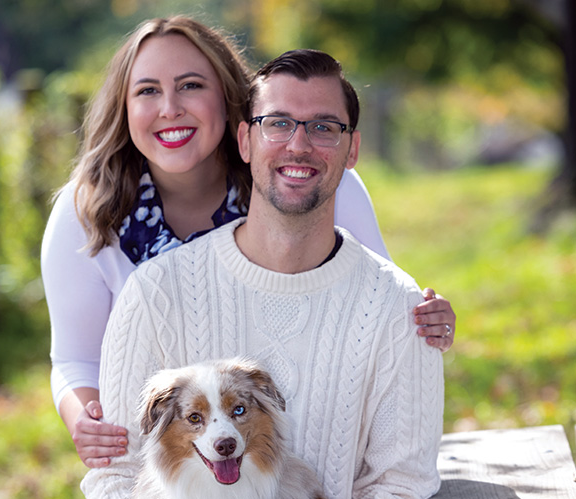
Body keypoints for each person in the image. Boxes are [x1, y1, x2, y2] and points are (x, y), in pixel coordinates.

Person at [62, 47, 444, 499]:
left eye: (324, 126)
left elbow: (410, 496)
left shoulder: (398, 309)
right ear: (245, 138)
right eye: (277, 123)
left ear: (352, 148)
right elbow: (110, 478)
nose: (298, 145)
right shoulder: (158, 293)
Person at [40, 16, 455, 470]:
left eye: (191, 85)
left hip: (302, 444)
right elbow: (74, 359)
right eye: (147, 91)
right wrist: (87, 421)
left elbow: (374, 301)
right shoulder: (88, 212)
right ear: (123, 106)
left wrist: (426, 318)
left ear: (229, 98)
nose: (170, 108)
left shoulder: (297, 181)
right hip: (170, 466)